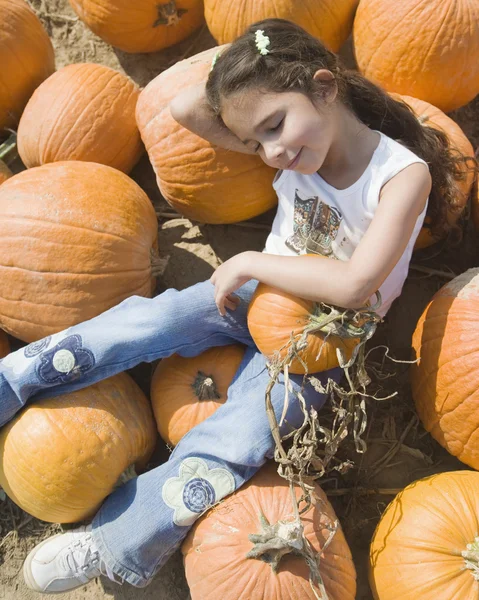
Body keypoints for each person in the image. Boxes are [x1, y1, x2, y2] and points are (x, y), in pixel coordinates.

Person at [0, 18, 462, 594]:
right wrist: (256, 57)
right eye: (254, 141)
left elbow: (354, 285)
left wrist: (249, 263)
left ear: (326, 87)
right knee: (145, 320)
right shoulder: (295, 136)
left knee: (236, 438)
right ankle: (11, 381)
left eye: (274, 126)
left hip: (323, 338)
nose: (272, 152)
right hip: (255, 297)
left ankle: (115, 539)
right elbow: (186, 110)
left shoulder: (401, 176)